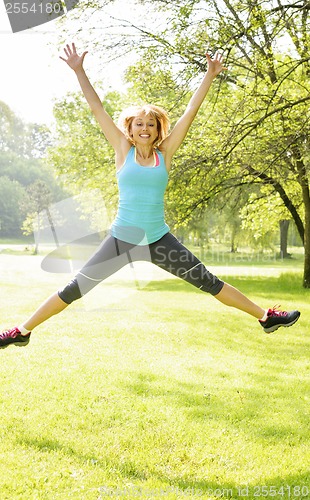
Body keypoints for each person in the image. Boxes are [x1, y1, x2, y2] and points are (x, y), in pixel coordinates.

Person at [0, 43, 300, 349]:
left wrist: (209, 75)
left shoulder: (165, 153)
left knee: (208, 281)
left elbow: (190, 112)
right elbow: (97, 108)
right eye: (139, 124)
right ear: (130, 128)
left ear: (159, 130)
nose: (145, 128)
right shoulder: (122, 149)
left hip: (159, 241)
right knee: (75, 287)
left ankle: (265, 317)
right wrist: (79, 70)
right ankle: (21, 330)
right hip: (122, 240)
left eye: (151, 124)